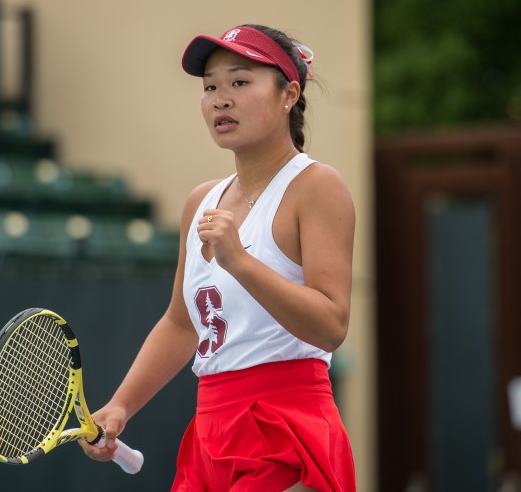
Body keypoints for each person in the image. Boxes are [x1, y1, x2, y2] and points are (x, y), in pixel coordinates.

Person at [79, 24, 356, 491]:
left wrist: (241, 262)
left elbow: (332, 325)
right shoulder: (201, 201)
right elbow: (181, 324)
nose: (220, 99)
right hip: (209, 431)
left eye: (240, 82)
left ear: (289, 94)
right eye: (210, 87)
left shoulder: (317, 186)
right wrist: (122, 405)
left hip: (285, 426)